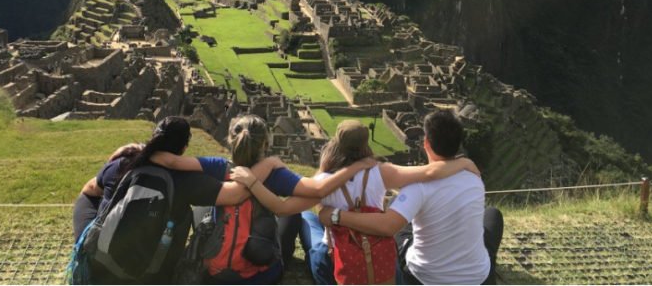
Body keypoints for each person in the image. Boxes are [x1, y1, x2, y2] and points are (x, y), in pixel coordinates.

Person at [230, 118, 481, 285]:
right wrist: (466, 163)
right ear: (365, 144)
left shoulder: (324, 180)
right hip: (372, 249)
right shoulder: (381, 172)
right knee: (318, 217)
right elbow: (429, 172)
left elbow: (282, 208)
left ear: (336, 143)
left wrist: (255, 181)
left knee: (309, 217)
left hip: (340, 254)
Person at [150, 113, 379, 284]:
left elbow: (171, 162)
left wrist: (140, 150)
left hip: (215, 272)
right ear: (266, 145)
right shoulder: (274, 174)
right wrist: (355, 166)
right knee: (294, 216)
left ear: (231, 140)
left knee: (210, 210)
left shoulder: (218, 166)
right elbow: (318, 190)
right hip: (260, 277)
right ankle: (279, 266)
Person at [81, 116, 276, 284]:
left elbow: (89, 190)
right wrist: (267, 166)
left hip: (100, 265)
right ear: (183, 148)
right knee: (188, 213)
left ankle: (82, 248)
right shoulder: (185, 180)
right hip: (152, 277)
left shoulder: (123, 163)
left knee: (87, 200)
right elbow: (236, 194)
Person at [318, 110, 504, 285]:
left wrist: (336, 215)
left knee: (401, 223)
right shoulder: (474, 177)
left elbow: (388, 226)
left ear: (426, 144)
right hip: (478, 278)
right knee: (493, 215)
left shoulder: (417, 186)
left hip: (424, 278)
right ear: (459, 144)